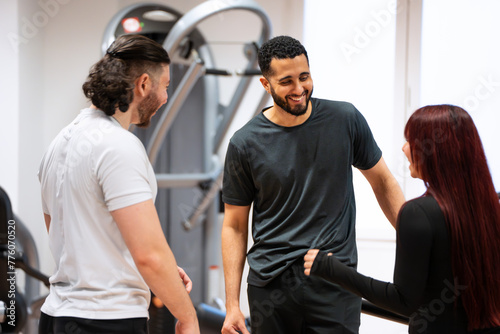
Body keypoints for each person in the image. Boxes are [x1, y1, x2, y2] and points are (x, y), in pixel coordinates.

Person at [220, 35, 405, 334]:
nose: (298, 89)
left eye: (304, 77)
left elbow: (383, 182)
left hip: (334, 278)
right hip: (271, 283)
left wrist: (415, 239)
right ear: (266, 85)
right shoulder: (245, 143)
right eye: (286, 81)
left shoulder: (345, 119)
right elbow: (235, 225)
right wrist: (232, 305)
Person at [37, 34, 200, 334]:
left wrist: (159, 273)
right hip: (106, 320)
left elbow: (67, 236)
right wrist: (187, 317)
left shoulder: (58, 143)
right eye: (165, 86)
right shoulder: (120, 147)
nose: (165, 98)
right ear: (143, 85)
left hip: (56, 317)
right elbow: (149, 255)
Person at [304, 105, 500, 333]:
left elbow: (404, 301)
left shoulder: (417, 214)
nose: (405, 148)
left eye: (412, 141)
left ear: (435, 151)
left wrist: (331, 268)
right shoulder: (491, 208)